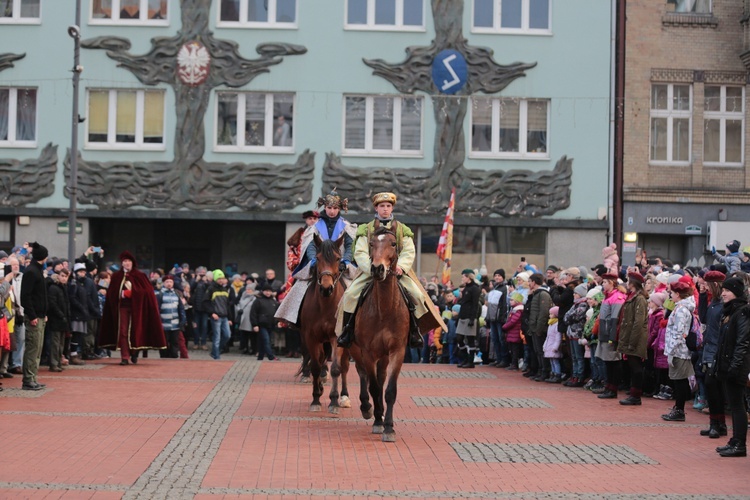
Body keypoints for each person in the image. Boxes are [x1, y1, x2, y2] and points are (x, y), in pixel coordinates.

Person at [336, 192, 444, 349]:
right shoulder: (365, 229)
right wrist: (371, 269)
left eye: (388, 206)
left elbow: (408, 251)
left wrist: (402, 266)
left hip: (396, 274)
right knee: (350, 295)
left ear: (392, 207)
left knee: (418, 296)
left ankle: (414, 332)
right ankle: (347, 332)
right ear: (376, 208)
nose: (385, 209)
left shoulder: (402, 229)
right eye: (382, 206)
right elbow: (360, 252)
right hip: (370, 273)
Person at [277, 190, 356, 327]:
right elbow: (310, 245)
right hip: (319, 264)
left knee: (355, 290)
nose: (332, 211)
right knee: (299, 287)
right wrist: (313, 259)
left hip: (340, 265)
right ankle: (292, 317)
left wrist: (346, 260)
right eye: (329, 208)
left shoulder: (347, 226)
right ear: (324, 207)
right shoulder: (315, 226)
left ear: (340, 209)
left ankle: (356, 322)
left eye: (335, 208)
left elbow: (350, 246)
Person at [99, 251, 166, 365]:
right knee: (123, 331)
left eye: (129, 261)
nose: (127, 263)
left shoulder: (141, 276)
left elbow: (148, 292)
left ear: (132, 263)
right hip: (122, 308)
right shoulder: (116, 276)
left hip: (137, 308)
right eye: (125, 261)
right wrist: (122, 294)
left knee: (136, 330)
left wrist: (133, 293)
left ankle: (134, 351)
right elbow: (111, 293)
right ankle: (125, 356)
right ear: (122, 263)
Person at [713, 277, 750, 457]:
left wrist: (734, 366)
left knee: (737, 405)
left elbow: (742, 342)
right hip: (729, 364)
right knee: (735, 404)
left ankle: (740, 444)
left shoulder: (741, 313)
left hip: (736, 366)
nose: (723, 294)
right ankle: (735, 441)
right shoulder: (731, 312)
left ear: (736, 292)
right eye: (723, 290)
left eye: (727, 291)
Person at [661, 280, 696, 421]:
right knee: (678, 379)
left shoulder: (681, 310)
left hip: (679, 351)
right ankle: (678, 408)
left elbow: (678, 332)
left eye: (672, 293)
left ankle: (679, 410)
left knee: (680, 380)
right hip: (678, 349)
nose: (670, 295)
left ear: (678, 294)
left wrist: (671, 350)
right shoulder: (680, 307)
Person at [698, 270, 727, 439]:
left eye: (707, 285)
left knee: (713, 385)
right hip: (709, 347)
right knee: (711, 386)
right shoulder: (715, 302)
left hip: (717, 349)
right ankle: (714, 423)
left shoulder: (723, 304)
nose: (705, 287)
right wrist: (702, 297)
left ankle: (719, 424)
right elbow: (703, 318)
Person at [617, 270, 650, 405]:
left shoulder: (640, 299)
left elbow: (638, 322)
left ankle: (636, 395)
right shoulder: (632, 297)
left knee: (636, 368)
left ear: (633, 283)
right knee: (632, 366)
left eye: (629, 281)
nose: (626, 283)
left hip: (635, 339)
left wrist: (632, 341)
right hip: (630, 337)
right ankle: (633, 393)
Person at [20, 242, 48, 390]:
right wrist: (32, 315)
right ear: (43, 257)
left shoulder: (37, 270)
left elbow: (41, 296)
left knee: (38, 349)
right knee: (32, 348)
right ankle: (28, 379)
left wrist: (44, 313)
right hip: (34, 317)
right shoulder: (31, 271)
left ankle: (33, 377)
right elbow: (26, 296)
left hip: (40, 316)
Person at [596, 273, 626, 399]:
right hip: (604, 332)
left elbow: (615, 319)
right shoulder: (607, 297)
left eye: (604, 282)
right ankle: (608, 386)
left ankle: (613, 388)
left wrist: (612, 337)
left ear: (611, 283)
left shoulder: (617, 297)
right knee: (607, 362)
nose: (602, 284)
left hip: (610, 334)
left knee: (613, 362)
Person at [526, 273, 552, 382]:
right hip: (534, 327)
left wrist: (539, 328)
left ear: (534, 282)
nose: (528, 284)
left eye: (529, 281)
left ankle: (545, 371)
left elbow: (543, 312)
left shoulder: (543, 294)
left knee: (541, 351)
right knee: (537, 351)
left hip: (539, 328)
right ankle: (540, 370)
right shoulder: (535, 294)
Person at [455, 269, 482, 368]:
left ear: (468, 277)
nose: (462, 278)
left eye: (463, 276)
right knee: (459, 338)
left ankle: (470, 361)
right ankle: (465, 358)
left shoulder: (475, 289)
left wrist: (472, 318)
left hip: (470, 317)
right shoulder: (466, 288)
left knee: (470, 339)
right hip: (463, 316)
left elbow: (475, 304)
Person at [46, 270, 71, 372]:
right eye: (62, 276)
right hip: (56, 319)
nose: (64, 278)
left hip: (63, 320)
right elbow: (53, 304)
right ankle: (53, 363)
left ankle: (58, 362)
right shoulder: (53, 288)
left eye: (66, 276)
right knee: (55, 343)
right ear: (58, 276)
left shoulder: (64, 288)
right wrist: (61, 315)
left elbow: (66, 304)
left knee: (61, 343)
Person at [156, 274, 186, 358]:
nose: (169, 283)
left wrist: (183, 319)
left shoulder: (176, 294)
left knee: (175, 343)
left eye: (170, 282)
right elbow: (157, 309)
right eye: (167, 282)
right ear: (164, 283)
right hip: (164, 325)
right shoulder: (160, 294)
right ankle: (164, 358)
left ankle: (174, 357)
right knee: (164, 343)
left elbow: (181, 308)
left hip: (175, 324)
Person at [204, 269, 232, 360]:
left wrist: (230, 318)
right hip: (216, 316)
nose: (221, 280)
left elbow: (227, 305)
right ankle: (216, 356)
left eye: (222, 278)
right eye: (219, 278)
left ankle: (214, 352)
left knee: (227, 335)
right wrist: (212, 313)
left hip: (224, 316)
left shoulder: (225, 289)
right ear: (215, 279)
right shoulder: (211, 289)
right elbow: (205, 302)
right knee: (217, 337)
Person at [486, 269, 509, 367]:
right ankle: (498, 359)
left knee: (501, 339)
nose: (497, 277)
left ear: (503, 277)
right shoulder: (494, 288)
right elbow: (490, 305)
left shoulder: (505, 288)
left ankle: (504, 360)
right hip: (492, 318)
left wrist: (503, 317)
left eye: (499, 275)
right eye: (495, 275)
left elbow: (505, 305)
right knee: (495, 339)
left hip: (500, 318)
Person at [251, 283, 279, 361]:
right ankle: (271, 356)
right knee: (266, 340)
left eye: (269, 291)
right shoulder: (258, 301)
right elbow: (253, 313)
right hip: (261, 325)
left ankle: (260, 357)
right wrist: (254, 324)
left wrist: (277, 322)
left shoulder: (273, 301)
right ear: (262, 291)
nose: (268, 293)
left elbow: (277, 312)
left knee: (263, 341)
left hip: (271, 324)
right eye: (266, 291)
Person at [543, 306, 563, 383]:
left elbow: (558, 338)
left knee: (555, 361)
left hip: (553, 347)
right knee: (552, 361)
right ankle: (553, 373)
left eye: (551, 314)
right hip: (549, 346)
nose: (549, 315)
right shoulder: (550, 324)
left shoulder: (556, 325)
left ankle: (557, 374)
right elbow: (548, 337)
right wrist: (545, 345)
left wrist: (555, 347)